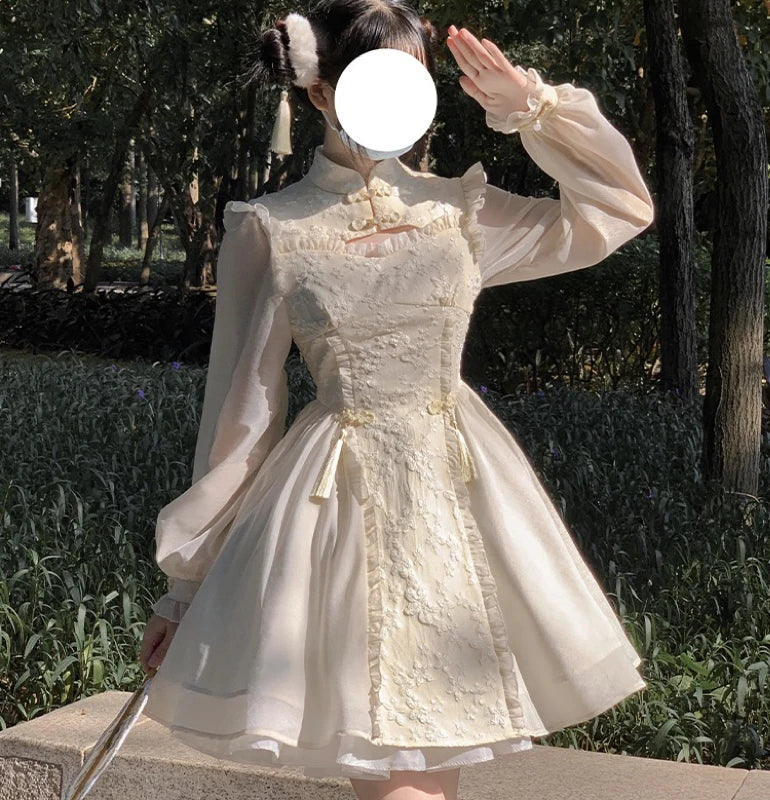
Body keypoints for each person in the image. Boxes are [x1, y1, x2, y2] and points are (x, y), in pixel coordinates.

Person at [139, 2, 655, 799]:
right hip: (337, 515)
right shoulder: (271, 228)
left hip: (464, 500)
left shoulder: (458, 211)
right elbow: (239, 417)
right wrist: (186, 585)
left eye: (414, 82)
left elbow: (619, 209)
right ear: (320, 91)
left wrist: (536, 109)